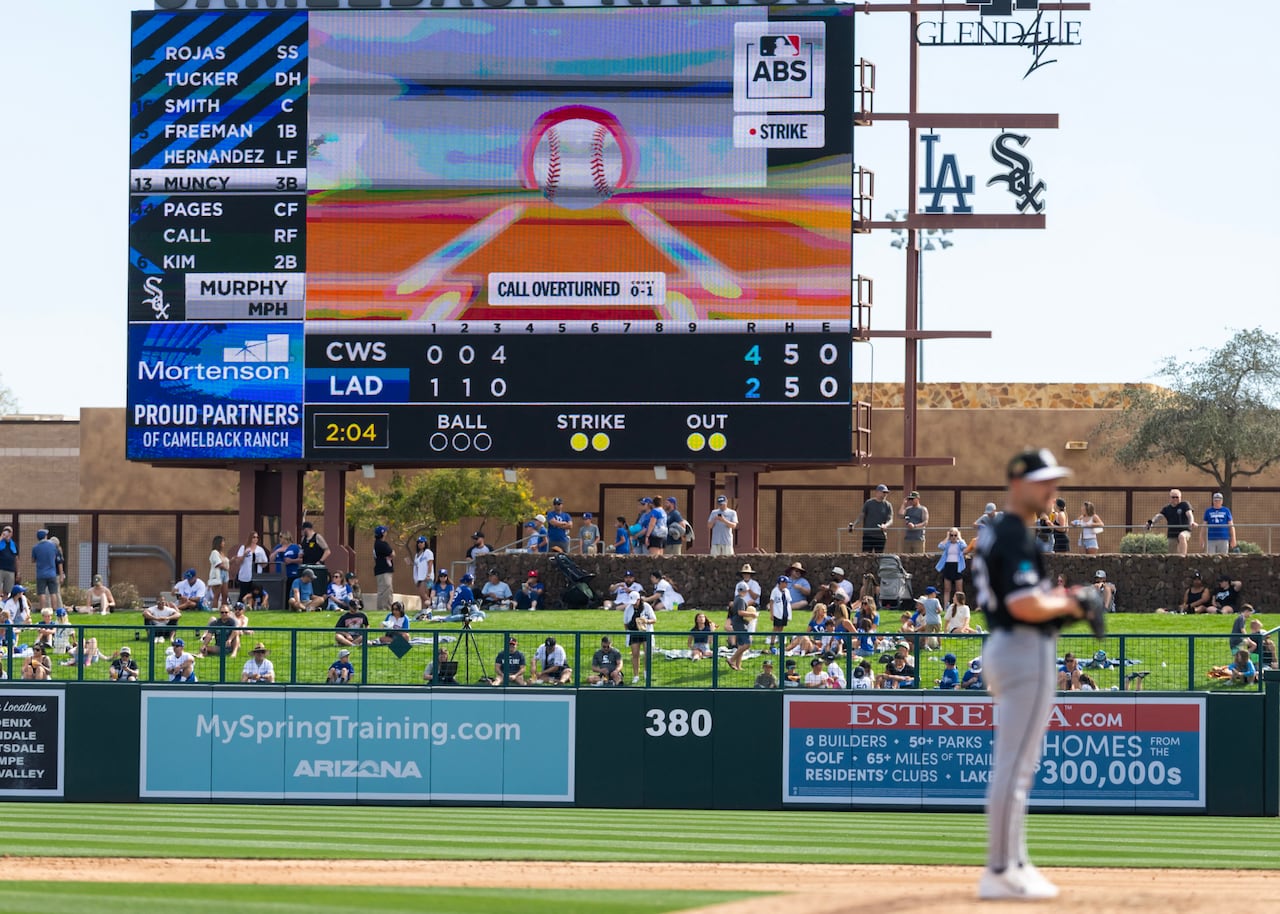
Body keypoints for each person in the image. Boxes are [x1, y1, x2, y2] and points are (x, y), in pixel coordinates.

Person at [972, 447, 1100, 901]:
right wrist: (1075, 603)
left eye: (1055, 480)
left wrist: (1064, 607)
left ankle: (1015, 862)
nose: (1053, 489)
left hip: (1017, 646)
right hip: (1022, 649)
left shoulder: (1004, 533)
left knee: (1019, 764)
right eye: (1044, 480)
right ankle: (1002, 869)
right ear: (1018, 483)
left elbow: (1029, 603)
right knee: (1015, 766)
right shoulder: (1012, 534)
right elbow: (1023, 605)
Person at [1147, 489, 1196, 557]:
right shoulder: (1167, 508)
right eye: (1173, 497)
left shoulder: (1184, 504)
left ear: (1180, 497)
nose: (1175, 499)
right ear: (1170, 498)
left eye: (1177, 497)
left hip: (1185, 530)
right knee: (1171, 554)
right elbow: (1159, 516)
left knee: (1181, 536)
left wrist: (1191, 522)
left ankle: (1183, 557)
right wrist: (1151, 522)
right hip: (1172, 533)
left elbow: (1189, 514)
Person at [623, 593, 656, 684]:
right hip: (634, 633)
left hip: (645, 633)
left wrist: (646, 621)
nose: (634, 604)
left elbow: (654, 620)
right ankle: (636, 675)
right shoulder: (628, 609)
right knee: (635, 654)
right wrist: (628, 632)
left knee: (648, 653)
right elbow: (625, 623)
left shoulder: (646, 607)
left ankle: (646, 672)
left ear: (639, 599)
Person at [854, 484, 893, 553]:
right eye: (883, 492)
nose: (885, 494)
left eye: (886, 493)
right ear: (877, 492)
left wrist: (885, 525)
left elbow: (890, 519)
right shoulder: (869, 503)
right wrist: (854, 524)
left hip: (880, 536)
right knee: (866, 556)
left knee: (879, 557)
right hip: (868, 535)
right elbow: (862, 515)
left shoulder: (888, 505)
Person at [232, 532, 268, 600]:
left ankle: (252, 606)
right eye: (254, 537)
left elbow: (265, 563)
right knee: (243, 593)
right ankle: (240, 607)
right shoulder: (243, 548)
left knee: (255, 593)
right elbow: (237, 561)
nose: (255, 539)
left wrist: (260, 562)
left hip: (256, 574)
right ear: (250, 538)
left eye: (257, 537)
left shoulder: (260, 549)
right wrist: (244, 555)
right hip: (245, 575)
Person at [31, 529, 60, 611]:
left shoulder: (35, 547)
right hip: (52, 573)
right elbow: (55, 557)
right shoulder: (52, 546)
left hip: (40, 574)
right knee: (53, 592)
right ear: (45, 536)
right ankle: (54, 609)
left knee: (41, 593)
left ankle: (43, 609)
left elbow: (33, 560)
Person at [765, 574, 792, 653]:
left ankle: (781, 643)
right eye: (785, 583)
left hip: (784, 612)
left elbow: (788, 601)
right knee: (776, 628)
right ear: (781, 583)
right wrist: (771, 613)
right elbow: (771, 602)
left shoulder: (787, 591)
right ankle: (772, 643)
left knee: (781, 628)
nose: (786, 585)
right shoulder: (775, 591)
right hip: (777, 612)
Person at [372, 525, 395, 612]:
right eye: (385, 531)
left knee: (385, 589)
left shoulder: (376, 544)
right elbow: (392, 553)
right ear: (382, 533)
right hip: (384, 570)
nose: (386, 533)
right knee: (385, 589)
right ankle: (384, 608)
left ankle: (384, 607)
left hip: (381, 570)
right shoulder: (381, 544)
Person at [916, 586, 943, 650]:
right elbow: (940, 610)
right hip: (936, 620)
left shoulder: (925, 602)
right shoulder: (936, 600)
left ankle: (926, 645)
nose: (936, 595)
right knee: (938, 633)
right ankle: (939, 645)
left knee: (927, 634)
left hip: (928, 620)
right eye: (935, 593)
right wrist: (937, 612)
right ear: (932, 593)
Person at [410, 536, 435, 607]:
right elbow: (417, 566)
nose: (420, 544)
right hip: (419, 577)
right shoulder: (417, 555)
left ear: (425, 543)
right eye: (418, 542)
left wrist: (428, 575)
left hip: (427, 578)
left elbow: (430, 564)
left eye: (421, 542)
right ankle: (424, 610)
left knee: (422, 593)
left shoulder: (428, 552)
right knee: (422, 596)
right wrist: (410, 563)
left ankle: (432, 605)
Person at [0, 525, 17, 598]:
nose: (7, 533)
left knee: (7, 591)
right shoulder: (1, 541)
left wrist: (17, 571)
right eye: (6, 531)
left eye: (9, 532)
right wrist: (1, 538)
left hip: (10, 570)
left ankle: (4, 606)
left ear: (12, 534)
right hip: (0, 569)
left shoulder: (13, 544)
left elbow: (16, 558)